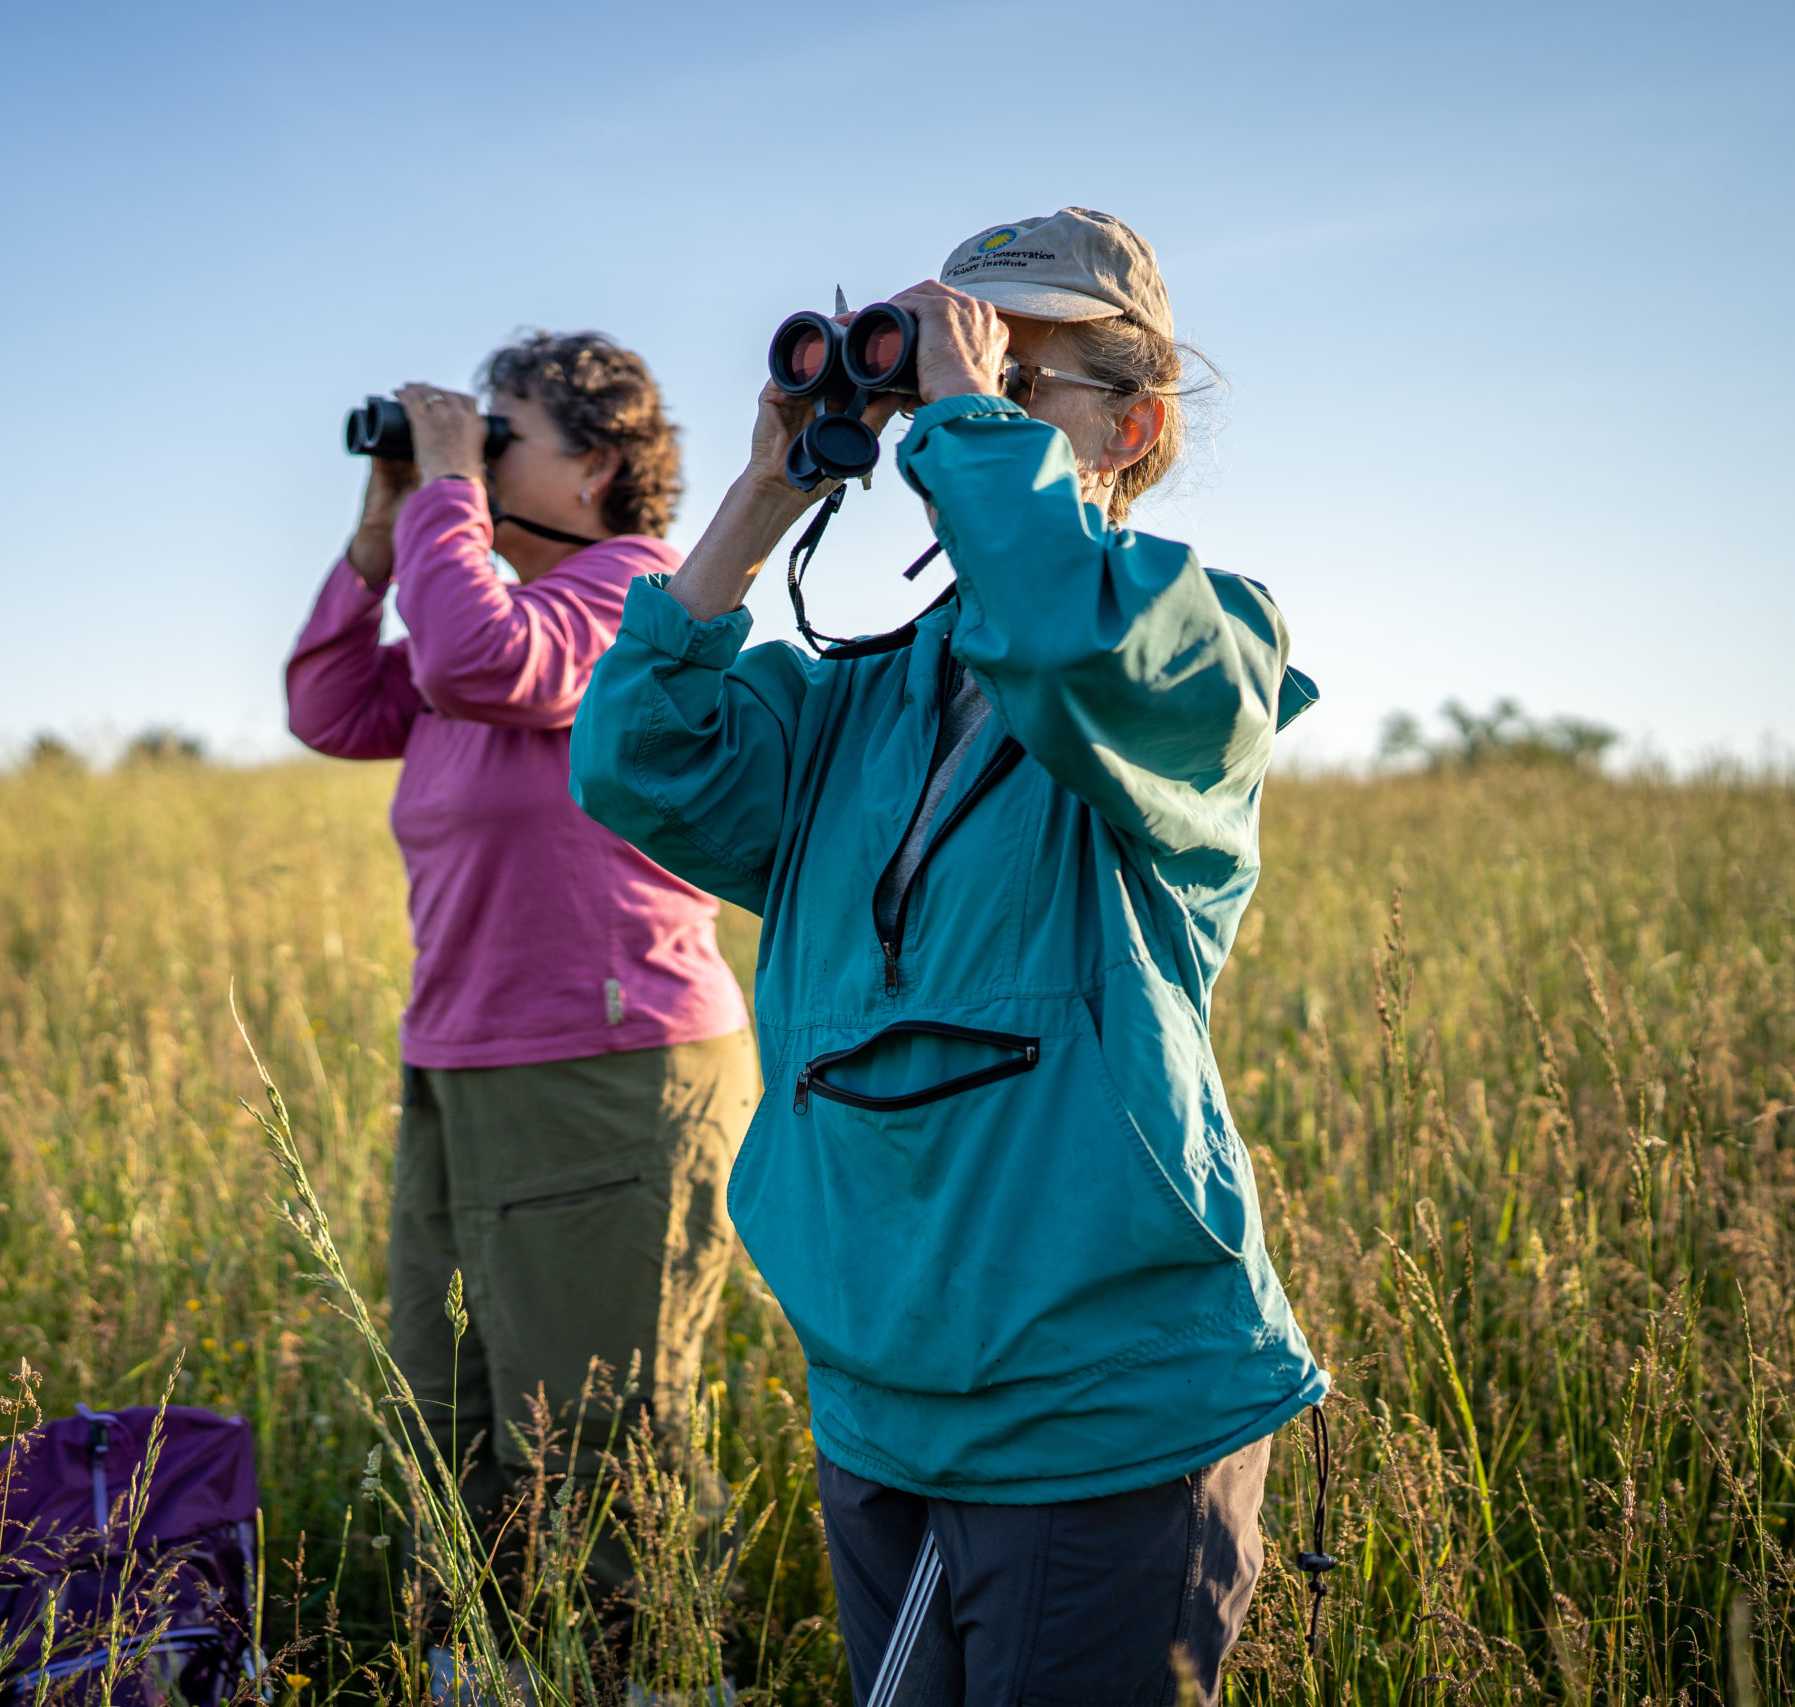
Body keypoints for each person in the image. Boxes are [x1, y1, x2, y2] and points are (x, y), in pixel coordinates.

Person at [568, 209, 1328, 1705]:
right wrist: (764, 491)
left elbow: (1070, 638)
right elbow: (633, 759)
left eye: (1019, 383)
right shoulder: (855, 704)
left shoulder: (1198, 645)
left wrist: (974, 424)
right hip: (883, 1397)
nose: (954, 423)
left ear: (1133, 426)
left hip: (1103, 1411)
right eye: (946, 382)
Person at [283, 333, 760, 1633]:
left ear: (600, 465)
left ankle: (654, 1675)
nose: (473, 465)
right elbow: (331, 707)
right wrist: (380, 543)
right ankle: (478, 1670)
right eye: (467, 441)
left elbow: (478, 667)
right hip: (464, 1062)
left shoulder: (636, 593)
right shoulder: (471, 614)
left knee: (602, 1439)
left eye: (500, 440)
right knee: (452, 1414)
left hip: (608, 1069)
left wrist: (444, 497)